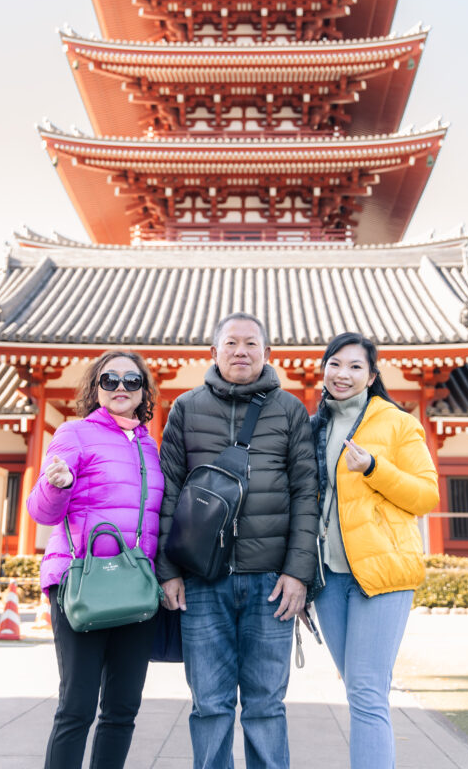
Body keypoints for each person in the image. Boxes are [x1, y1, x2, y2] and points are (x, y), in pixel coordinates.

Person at [157, 312, 319, 769]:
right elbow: (168, 490)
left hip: (272, 581)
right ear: (213, 352)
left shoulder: (288, 409)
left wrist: (297, 572)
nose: (241, 351)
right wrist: (167, 570)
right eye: (231, 343)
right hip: (202, 580)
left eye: (251, 343)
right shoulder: (186, 408)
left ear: (268, 353)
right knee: (209, 705)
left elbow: (306, 492)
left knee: (266, 706)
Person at [306, 331, 439, 769]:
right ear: (323, 369)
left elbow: (426, 496)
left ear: (371, 375)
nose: (342, 374)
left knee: (366, 689)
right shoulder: (314, 425)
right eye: (335, 364)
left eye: (355, 366)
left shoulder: (396, 422)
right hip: (329, 579)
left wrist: (374, 468)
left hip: (380, 576)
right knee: (356, 687)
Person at [27, 350, 164, 769]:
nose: (121, 387)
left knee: (122, 710)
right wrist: (59, 485)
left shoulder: (148, 445)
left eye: (131, 380)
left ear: (144, 391)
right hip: (83, 583)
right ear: (95, 388)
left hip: (136, 589)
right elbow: (41, 511)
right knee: (77, 707)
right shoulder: (74, 433)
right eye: (110, 380)